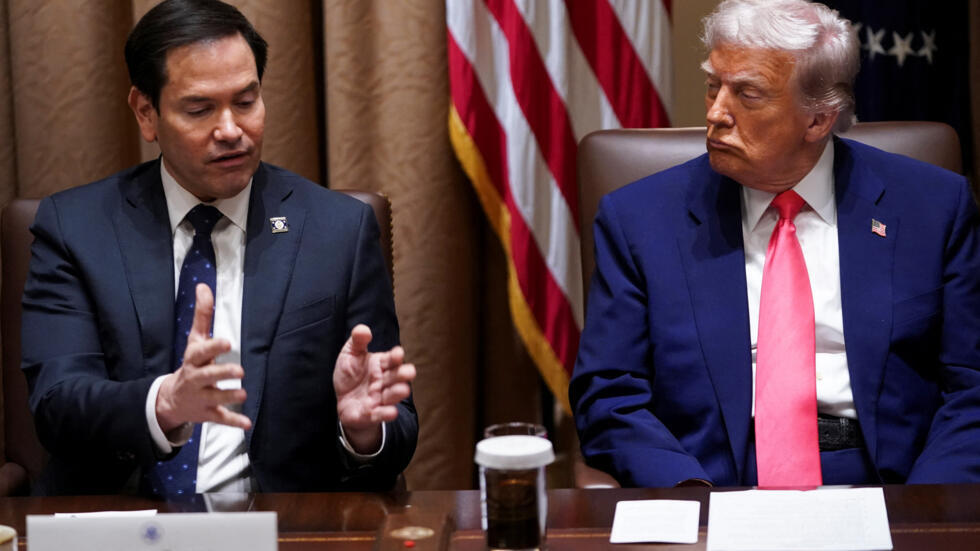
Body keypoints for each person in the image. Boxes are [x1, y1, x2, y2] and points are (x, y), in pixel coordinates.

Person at [570, 0, 980, 488]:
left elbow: (971, 389)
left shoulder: (933, 209)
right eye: (713, 85)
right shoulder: (639, 220)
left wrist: (924, 508)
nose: (716, 113)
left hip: (887, 482)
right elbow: (609, 396)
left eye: (747, 94)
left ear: (818, 119)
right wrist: (689, 497)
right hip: (712, 480)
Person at [21, 0, 417, 497]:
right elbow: (57, 405)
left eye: (246, 102)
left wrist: (363, 431)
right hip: (125, 520)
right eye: (200, 109)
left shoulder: (337, 231)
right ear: (146, 112)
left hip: (282, 524)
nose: (231, 130)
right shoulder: (76, 228)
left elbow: (396, 428)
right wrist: (164, 403)